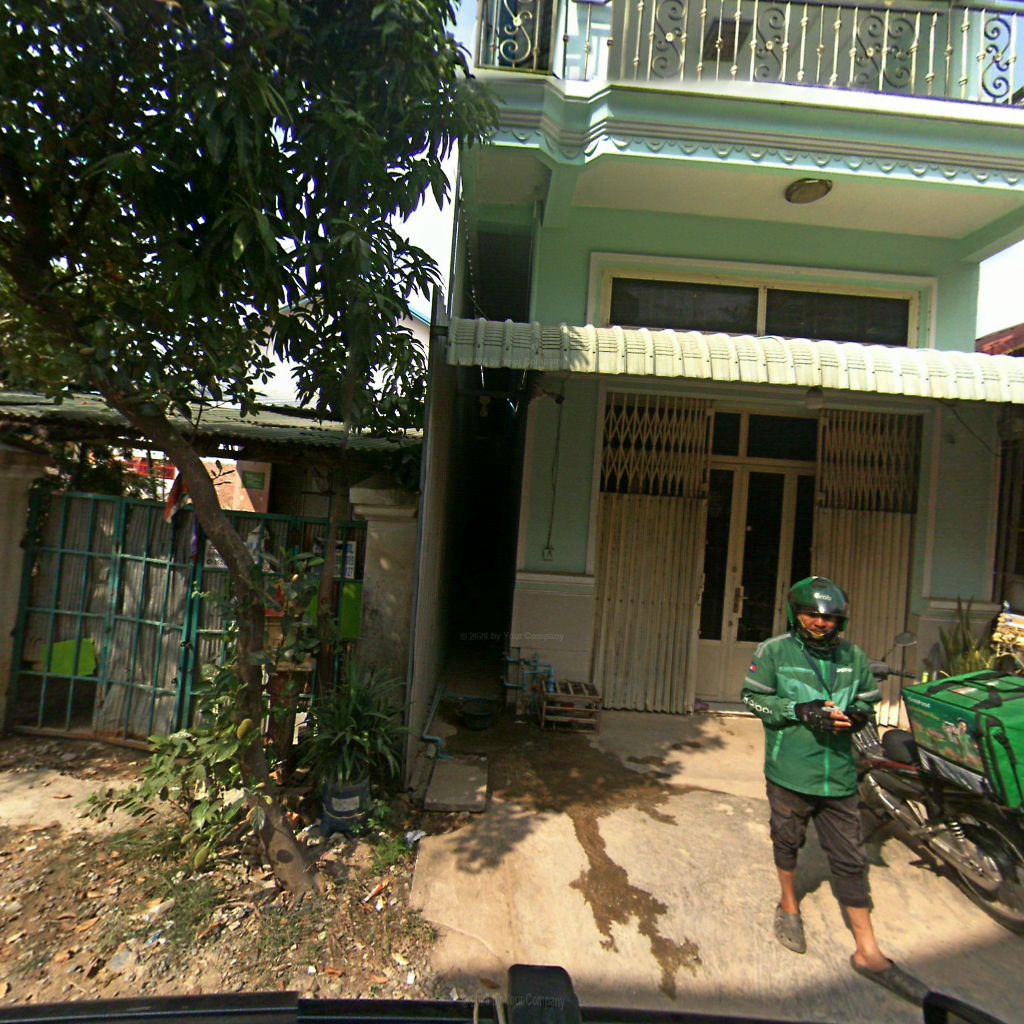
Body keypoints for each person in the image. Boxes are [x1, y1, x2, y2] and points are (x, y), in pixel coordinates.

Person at [741, 576, 928, 1004]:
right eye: (812, 615)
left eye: (829, 617)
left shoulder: (853, 656)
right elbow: (752, 699)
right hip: (790, 771)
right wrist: (798, 710)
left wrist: (857, 717)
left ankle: (869, 953)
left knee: (850, 858)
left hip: (840, 775)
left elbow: (866, 701)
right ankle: (789, 906)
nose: (821, 623)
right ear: (796, 615)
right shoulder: (774, 652)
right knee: (787, 840)